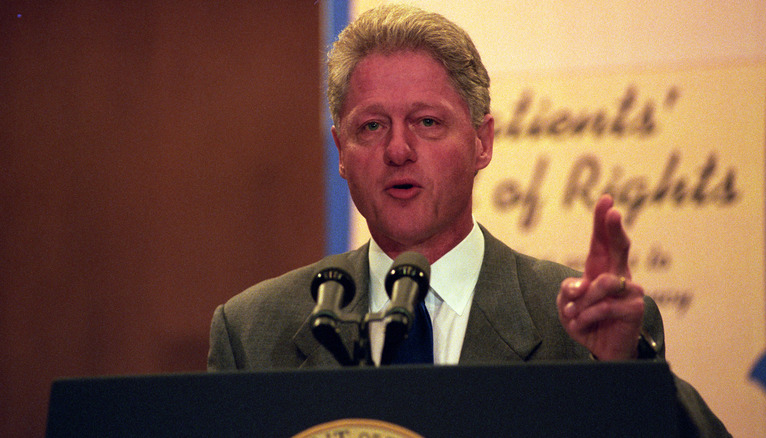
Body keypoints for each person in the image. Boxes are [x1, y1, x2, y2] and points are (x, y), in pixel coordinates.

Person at [208, 4, 730, 436]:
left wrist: (626, 373)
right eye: (370, 126)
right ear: (341, 150)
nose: (397, 149)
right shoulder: (253, 331)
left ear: (483, 142)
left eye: (427, 122)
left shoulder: (576, 324)